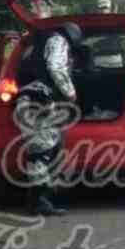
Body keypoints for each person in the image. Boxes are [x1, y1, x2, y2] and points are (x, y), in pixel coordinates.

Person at [15, 23, 82, 216]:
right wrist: (70, 92)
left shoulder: (35, 44)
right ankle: (39, 202)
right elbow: (55, 67)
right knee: (41, 152)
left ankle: (39, 198)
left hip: (29, 101)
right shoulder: (58, 41)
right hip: (39, 103)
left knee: (43, 149)